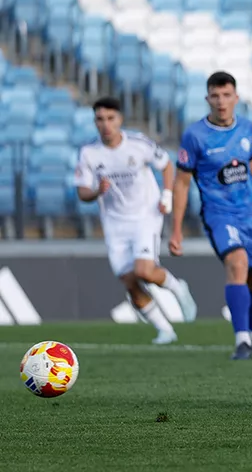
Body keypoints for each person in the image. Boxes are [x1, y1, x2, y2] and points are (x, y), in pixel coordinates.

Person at [169, 71, 252, 360]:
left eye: (226, 95)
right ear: (207, 99)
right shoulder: (195, 136)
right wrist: (175, 229)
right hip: (219, 215)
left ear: (236, 97)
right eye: (215, 96)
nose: (221, 101)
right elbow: (181, 183)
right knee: (237, 263)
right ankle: (242, 342)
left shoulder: (247, 129)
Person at [74, 97, 196, 344]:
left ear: (119, 120)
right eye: (100, 119)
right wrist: (98, 190)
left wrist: (167, 196)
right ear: (95, 122)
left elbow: (167, 165)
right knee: (130, 282)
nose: (106, 124)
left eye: (110, 118)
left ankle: (176, 287)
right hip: (114, 224)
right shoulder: (89, 153)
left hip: (145, 216)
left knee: (144, 271)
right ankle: (165, 330)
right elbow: (82, 192)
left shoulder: (138, 144)